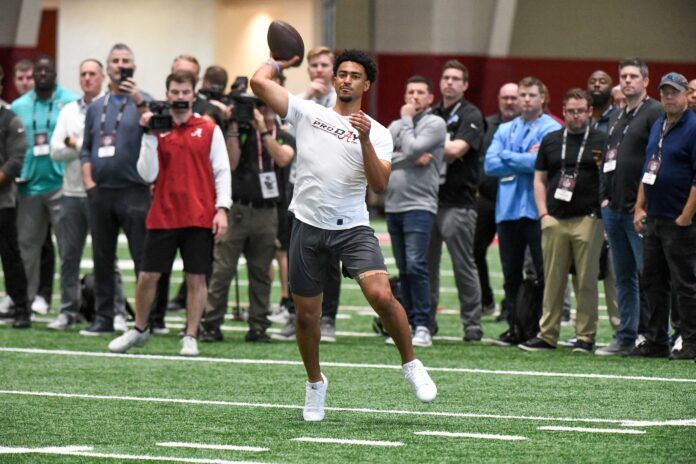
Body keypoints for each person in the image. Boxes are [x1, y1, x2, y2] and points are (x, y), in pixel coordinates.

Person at [250, 49, 437, 421]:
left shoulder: (379, 133)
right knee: (306, 317)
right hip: (307, 224)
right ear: (334, 80)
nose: (347, 79)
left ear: (366, 84)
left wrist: (364, 139)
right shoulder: (308, 112)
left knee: (382, 296)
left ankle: (411, 364)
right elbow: (258, 83)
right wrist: (280, 62)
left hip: (351, 227)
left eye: (355, 75)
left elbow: (380, 184)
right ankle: (315, 383)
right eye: (342, 74)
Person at [108, 70, 231, 356]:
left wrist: (221, 209)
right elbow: (146, 173)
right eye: (174, 92)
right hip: (163, 214)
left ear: (193, 94)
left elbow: (222, 171)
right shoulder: (157, 128)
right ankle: (139, 329)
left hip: (199, 215)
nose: (180, 97)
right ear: (167, 94)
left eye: (185, 92)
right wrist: (149, 136)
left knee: (196, 278)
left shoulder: (209, 128)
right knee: (148, 276)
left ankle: (190, 334)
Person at [201, 93, 294, 343]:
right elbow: (230, 163)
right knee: (222, 270)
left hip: (267, 212)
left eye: (265, 105)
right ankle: (210, 324)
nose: (262, 110)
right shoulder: (239, 132)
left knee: (261, 272)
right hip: (238, 209)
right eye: (257, 106)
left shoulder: (284, 135)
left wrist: (263, 130)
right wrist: (232, 126)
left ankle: (258, 326)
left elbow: (283, 158)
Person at [520, 88, 606, 352]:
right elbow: (539, 179)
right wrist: (543, 213)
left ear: (589, 112)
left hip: (588, 219)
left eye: (581, 111)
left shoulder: (602, 139)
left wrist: (603, 215)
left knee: (586, 282)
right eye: (570, 111)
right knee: (553, 281)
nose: (575, 116)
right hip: (555, 219)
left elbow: (608, 178)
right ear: (564, 110)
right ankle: (547, 335)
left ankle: (585, 337)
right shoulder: (551, 139)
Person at [46, 59, 128, 331]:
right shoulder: (68, 110)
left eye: (93, 74)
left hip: (102, 193)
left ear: (102, 77)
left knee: (107, 257)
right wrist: (84, 145)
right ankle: (68, 311)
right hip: (71, 194)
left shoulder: (111, 108)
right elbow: (55, 150)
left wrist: (75, 142)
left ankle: (116, 311)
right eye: (83, 74)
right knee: (69, 256)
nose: (88, 78)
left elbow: (111, 149)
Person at [79, 43, 153, 336]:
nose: (120, 65)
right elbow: (85, 149)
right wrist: (89, 183)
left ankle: (147, 321)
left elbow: (157, 139)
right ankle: (104, 318)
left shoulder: (145, 101)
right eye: (115, 61)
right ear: (107, 68)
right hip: (101, 192)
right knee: (102, 258)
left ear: (134, 66)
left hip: (135, 191)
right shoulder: (97, 106)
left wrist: (138, 101)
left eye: (126, 61)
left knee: (142, 260)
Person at [485, 77, 562, 346]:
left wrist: (509, 156)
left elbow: (544, 163)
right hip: (507, 211)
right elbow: (490, 164)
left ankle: (541, 329)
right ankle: (514, 327)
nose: (526, 100)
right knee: (511, 274)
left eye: (531, 95)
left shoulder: (552, 128)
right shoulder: (506, 128)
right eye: (522, 95)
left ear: (543, 97)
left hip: (537, 210)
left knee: (542, 274)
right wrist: (523, 159)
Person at [273, 46, 343, 343]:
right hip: (299, 186)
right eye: (313, 65)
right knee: (297, 253)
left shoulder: (341, 101)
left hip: (331, 186)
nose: (318, 70)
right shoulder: (300, 101)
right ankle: (294, 313)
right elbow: (278, 126)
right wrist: (305, 96)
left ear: (333, 69)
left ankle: (327, 318)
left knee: (330, 257)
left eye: (324, 65)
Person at [596, 58, 663, 356]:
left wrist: (642, 203)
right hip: (614, 208)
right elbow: (608, 161)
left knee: (647, 274)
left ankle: (652, 335)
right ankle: (626, 335)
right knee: (622, 276)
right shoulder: (617, 116)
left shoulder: (654, 112)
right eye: (623, 76)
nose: (627, 81)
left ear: (646, 80)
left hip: (639, 209)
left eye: (633, 76)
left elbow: (654, 161)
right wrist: (604, 198)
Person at [632, 72, 696, 360]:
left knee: (685, 283)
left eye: (674, 92)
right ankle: (656, 340)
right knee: (652, 281)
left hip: (678, 220)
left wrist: (685, 215)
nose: (669, 96)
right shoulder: (659, 124)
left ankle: (690, 340)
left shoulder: (693, 127)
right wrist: (640, 206)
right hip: (655, 217)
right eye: (665, 92)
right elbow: (650, 168)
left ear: (685, 95)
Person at [10, 56, 78, 325]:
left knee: (67, 249)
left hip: (62, 185)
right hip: (29, 186)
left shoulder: (70, 103)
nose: (41, 74)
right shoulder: (19, 106)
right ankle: (22, 306)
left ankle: (68, 308)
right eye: (37, 70)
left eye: (46, 70)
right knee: (27, 248)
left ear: (54, 73)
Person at [385, 75, 446, 347]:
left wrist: (407, 127)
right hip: (393, 205)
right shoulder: (394, 126)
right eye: (410, 91)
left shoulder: (435, 123)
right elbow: (380, 158)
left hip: (420, 206)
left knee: (417, 265)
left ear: (431, 97)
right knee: (403, 268)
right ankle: (406, 323)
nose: (415, 97)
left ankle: (423, 325)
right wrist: (408, 157)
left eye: (421, 92)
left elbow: (411, 146)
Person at [428, 60, 485, 341]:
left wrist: (423, 144)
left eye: (455, 79)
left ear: (464, 85)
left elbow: (455, 150)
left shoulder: (471, 114)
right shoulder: (433, 112)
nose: (449, 82)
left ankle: (472, 324)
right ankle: (426, 321)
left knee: (463, 265)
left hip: (459, 203)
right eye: (445, 77)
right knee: (426, 265)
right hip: (429, 200)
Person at [475, 82, 519, 319]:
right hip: (486, 198)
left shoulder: (525, 127)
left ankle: (511, 307)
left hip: (515, 198)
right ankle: (485, 300)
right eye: (506, 97)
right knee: (475, 250)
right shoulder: (487, 124)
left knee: (512, 256)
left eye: (514, 97)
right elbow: (479, 158)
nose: (510, 102)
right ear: (499, 99)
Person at [0, 64, 30, 328]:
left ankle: (21, 308)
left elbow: (15, 161)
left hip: (3, 203)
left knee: (10, 256)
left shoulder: (10, 119)